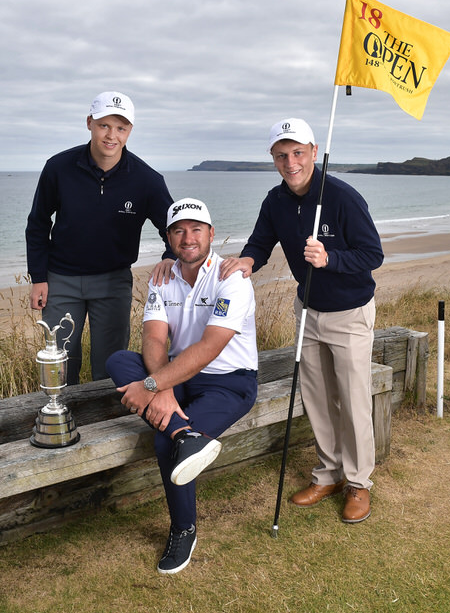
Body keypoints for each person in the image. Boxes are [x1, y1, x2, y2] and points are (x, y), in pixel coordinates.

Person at [219, 118, 384, 524]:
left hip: (349, 313)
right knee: (316, 399)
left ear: (313, 151)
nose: (290, 162)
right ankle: (328, 474)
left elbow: (373, 254)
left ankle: (359, 483)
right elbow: (260, 241)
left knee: (353, 400)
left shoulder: (342, 198)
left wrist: (331, 258)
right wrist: (247, 260)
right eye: (281, 154)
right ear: (273, 159)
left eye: (297, 152)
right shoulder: (275, 201)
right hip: (307, 311)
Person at [107, 198, 258, 574]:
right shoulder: (162, 277)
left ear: (210, 234)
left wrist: (154, 385)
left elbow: (210, 348)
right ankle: (183, 431)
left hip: (229, 381)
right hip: (177, 377)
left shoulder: (231, 278)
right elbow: (155, 339)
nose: (187, 238)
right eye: (178, 230)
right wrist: (165, 389)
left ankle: (183, 528)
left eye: (196, 230)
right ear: (169, 238)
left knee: (164, 440)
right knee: (119, 361)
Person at [25, 91, 175, 385]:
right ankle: (62, 424)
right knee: (61, 362)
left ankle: (106, 428)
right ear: (90, 123)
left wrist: (169, 257)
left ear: (130, 131)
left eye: (120, 128)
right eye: (104, 125)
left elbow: (173, 228)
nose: (112, 135)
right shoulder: (58, 168)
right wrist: (38, 277)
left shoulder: (147, 180)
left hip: (113, 283)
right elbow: (38, 223)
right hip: (61, 281)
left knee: (110, 367)